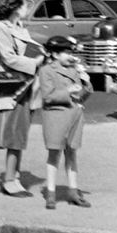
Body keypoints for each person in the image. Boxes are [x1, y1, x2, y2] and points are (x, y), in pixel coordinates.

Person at [0, 0, 42, 197]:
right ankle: (10, 180)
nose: (26, 8)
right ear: (14, 6)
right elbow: (8, 58)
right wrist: (35, 61)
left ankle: (15, 177)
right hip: (13, 87)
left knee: (20, 133)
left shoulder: (21, 27)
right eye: (24, 4)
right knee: (13, 134)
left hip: (28, 85)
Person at [35, 34, 92, 210]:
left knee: (72, 154)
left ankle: (73, 191)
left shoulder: (74, 70)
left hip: (74, 116)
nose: (71, 56)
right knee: (54, 155)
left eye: (71, 52)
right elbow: (48, 96)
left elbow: (84, 94)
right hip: (56, 116)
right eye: (66, 52)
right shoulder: (46, 71)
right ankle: (50, 193)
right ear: (55, 54)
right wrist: (69, 91)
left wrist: (86, 82)